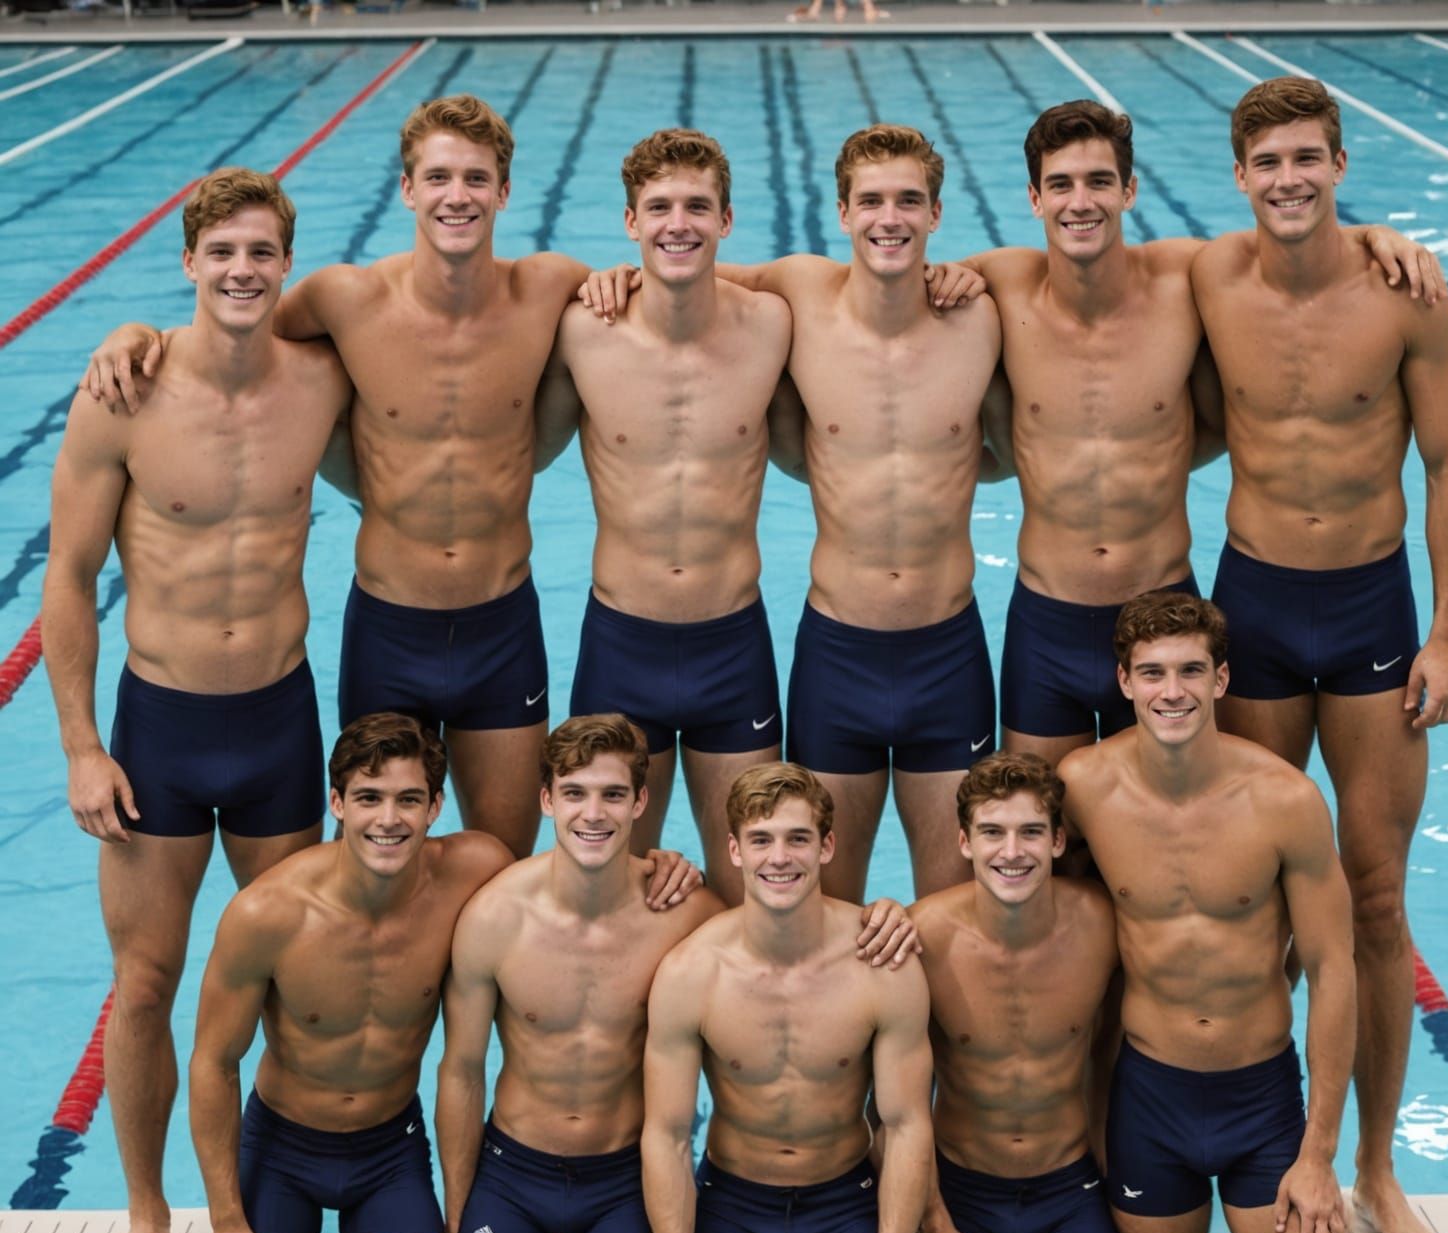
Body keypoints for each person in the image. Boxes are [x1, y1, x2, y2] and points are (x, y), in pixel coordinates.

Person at [84, 95, 594, 858]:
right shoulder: (342, 300)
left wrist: (621, 285)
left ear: (504, 191)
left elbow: (665, 289)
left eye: (477, 179)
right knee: (373, 872)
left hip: (502, 629)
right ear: (407, 189)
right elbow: (230, 335)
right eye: (440, 177)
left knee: (504, 867)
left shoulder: (552, 287)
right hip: (390, 629)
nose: (458, 195)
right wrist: (136, 335)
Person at [41, 167, 353, 1233]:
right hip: (160, 725)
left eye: (262, 253)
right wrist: (79, 744)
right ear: (186, 261)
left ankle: (272, 1200)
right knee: (145, 985)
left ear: (286, 265)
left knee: (295, 979)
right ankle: (142, 1213)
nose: (241, 271)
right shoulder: (123, 393)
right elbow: (66, 583)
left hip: (278, 717)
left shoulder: (320, 379)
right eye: (221, 252)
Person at [928, 102, 1445, 772]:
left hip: (1166, 615)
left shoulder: (1187, 278)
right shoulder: (999, 285)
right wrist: (941, 275)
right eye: (1060, 185)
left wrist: (1375, 234)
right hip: (1046, 626)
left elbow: (1293, 242)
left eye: (1098, 182)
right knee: (1041, 851)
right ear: (1033, 198)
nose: (1079, 202)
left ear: (1130, 191)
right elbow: (897, 285)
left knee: (1185, 850)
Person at [1193, 77, 1448, 1233]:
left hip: (1370, 612)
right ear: (1242, 175)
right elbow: (1069, 254)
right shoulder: (1207, 277)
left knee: (1372, 900)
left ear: (1343, 162)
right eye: (1268, 161)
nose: (1289, 178)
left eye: (1308, 157)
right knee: (1254, 903)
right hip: (1254, 608)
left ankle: (1375, 1168)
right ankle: (1271, 1165)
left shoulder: (1403, 290)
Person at [585, 124, 1009, 903]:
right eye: (872, 201)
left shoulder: (982, 316)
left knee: (958, 907)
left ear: (938, 214)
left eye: (909, 201)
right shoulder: (795, 304)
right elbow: (690, 264)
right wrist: (621, 276)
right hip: (829, 657)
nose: (890, 218)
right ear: (843, 213)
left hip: (946, 649)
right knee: (787, 905)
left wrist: (970, 280)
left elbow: (1019, 446)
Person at [1061, 592, 1360, 1233]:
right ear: (1124, 683)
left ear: (1223, 680)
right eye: (1152, 673)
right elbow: (1016, 893)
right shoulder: (1084, 786)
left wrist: (1318, 1153)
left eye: (1192, 671)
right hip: (1150, 1100)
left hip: (1264, 1102)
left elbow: (1334, 973)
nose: (1172, 689)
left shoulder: (1283, 801)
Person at [187, 714, 511, 1233]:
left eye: (409, 798)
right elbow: (211, 1064)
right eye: (368, 797)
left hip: (387, 1151)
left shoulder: (474, 870)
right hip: (283, 1150)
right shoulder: (269, 912)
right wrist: (227, 1224)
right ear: (336, 800)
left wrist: (665, 867)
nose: (389, 818)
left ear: (437, 806)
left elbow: (573, 895)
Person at [437, 714, 722, 1233]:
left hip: (621, 1180)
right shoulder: (497, 916)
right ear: (545, 799)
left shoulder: (684, 909)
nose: (592, 813)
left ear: (642, 803)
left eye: (611, 794)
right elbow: (459, 1073)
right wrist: (460, 1216)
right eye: (573, 794)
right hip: (514, 1173)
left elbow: (778, 953)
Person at [642, 763, 933, 1233]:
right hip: (735, 1204)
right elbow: (668, 1135)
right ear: (732, 850)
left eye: (798, 838)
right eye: (761, 839)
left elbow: (905, 1124)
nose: (781, 857)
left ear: (828, 844)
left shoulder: (881, 962)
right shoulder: (691, 972)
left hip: (844, 1204)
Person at [534, 131, 796, 901]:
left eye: (696, 207)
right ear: (629, 222)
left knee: (759, 884)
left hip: (732, 644)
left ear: (727, 219)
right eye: (658, 209)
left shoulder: (773, 324)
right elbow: (515, 451)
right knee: (604, 884)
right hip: (622, 644)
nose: (677, 223)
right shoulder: (584, 330)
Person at [910, 752, 1140, 1233]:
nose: (1013, 849)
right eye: (994, 832)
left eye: (1031, 832)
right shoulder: (921, 936)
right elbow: (894, 1109)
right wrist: (935, 1229)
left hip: (1065, 1188)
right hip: (964, 1192)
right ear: (965, 841)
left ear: (1059, 839)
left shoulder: (1102, 924)